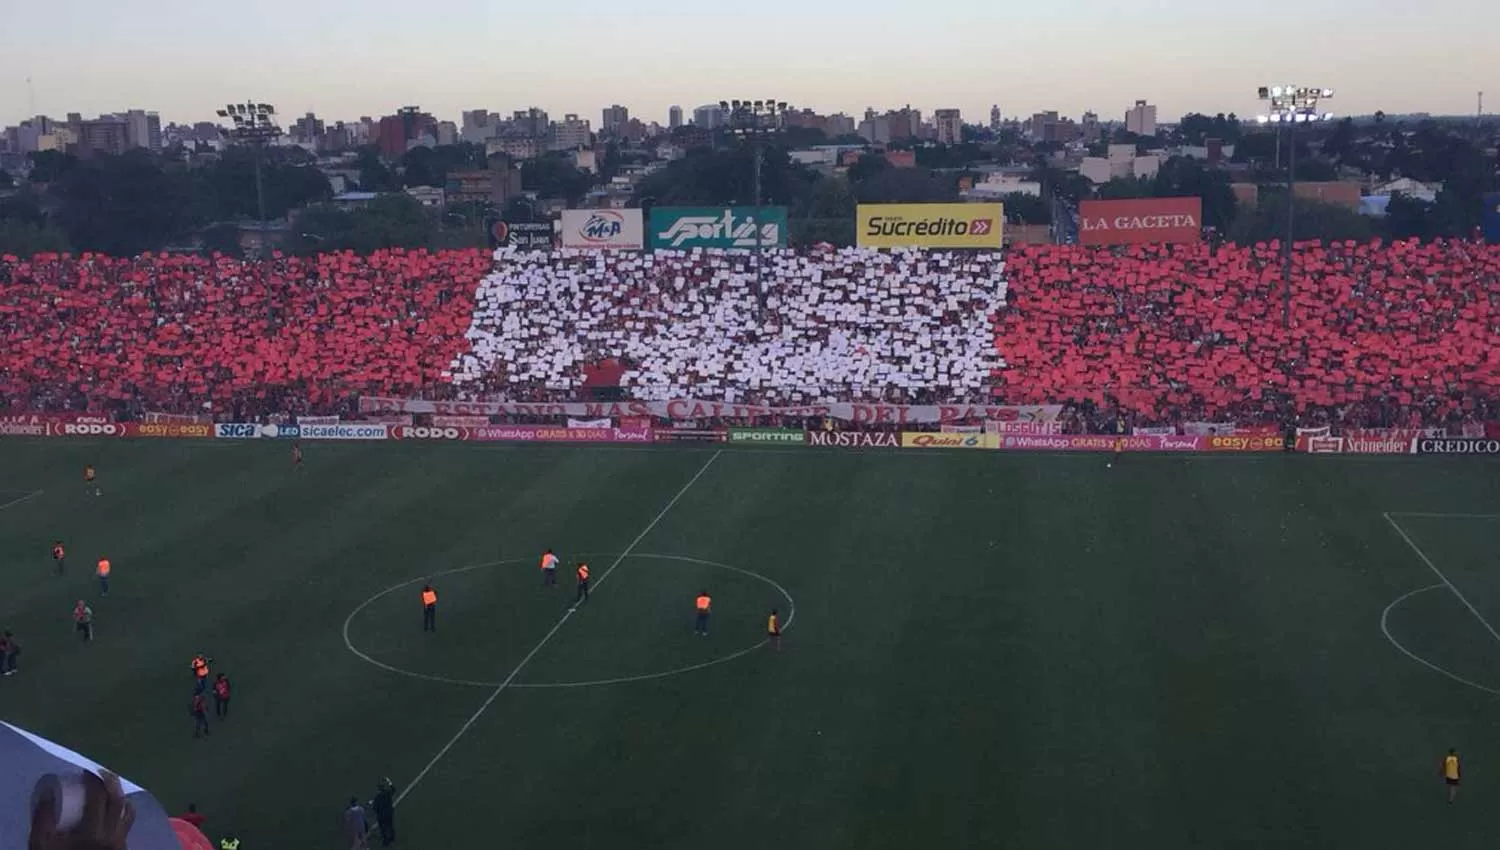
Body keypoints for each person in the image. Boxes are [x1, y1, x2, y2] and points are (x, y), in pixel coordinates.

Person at [370, 778, 396, 847]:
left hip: (382, 816)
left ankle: (385, 841)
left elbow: (375, 808)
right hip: (389, 813)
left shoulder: (377, 798)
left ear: (378, 789)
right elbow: (393, 789)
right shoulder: (387, 793)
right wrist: (389, 782)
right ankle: (392, 837)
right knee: (390, 825)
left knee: (383, 829)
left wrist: (371, 804)